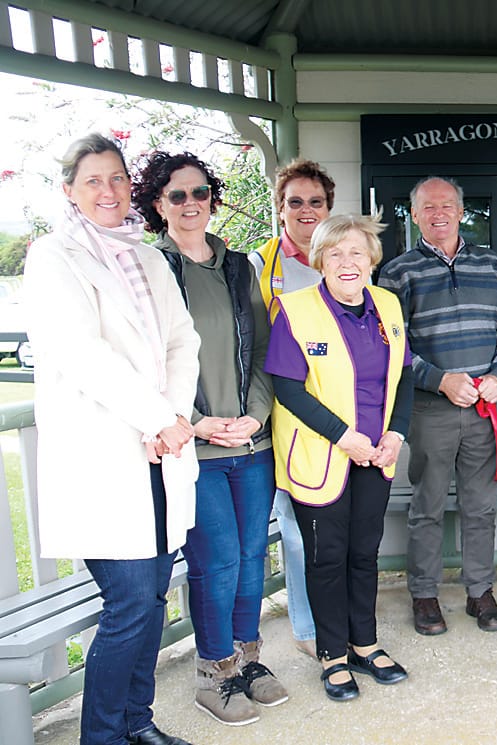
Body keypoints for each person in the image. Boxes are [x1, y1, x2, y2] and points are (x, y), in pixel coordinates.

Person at [24, 133, 200, 745]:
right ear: (69, 190)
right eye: (94, 180)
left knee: (152, 599)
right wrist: (157, 418)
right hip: (103, 453)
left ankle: (136, 722)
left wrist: (171, 419)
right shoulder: (54, 257)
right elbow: (82, 353)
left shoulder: (148, 258)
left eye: (118, 178)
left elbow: (182, 341)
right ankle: (102, 736)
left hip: (160, 454)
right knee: (130, 602)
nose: (109, 190)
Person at [133, 151, 285, 726]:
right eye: (177, 195)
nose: (190, 203)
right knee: (217, 562)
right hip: (192, 447)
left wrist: (255, 415)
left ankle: (247, 660)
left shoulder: (239, 267)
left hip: (250, 444)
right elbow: (147, 359)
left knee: (250, 557)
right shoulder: (149, 270)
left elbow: (266, 349)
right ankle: (213, 672)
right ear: (158, 204)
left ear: (212, 199)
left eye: (200, 192)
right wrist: (194, 420)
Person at [266, 213, 413, 702]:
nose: (347, 262)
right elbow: (288, 389)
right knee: (326, 557)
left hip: (376, 452)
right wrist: (343, 436)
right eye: (335, 253)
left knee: (364, 552)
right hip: (321, 453)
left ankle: (365, 644)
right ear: (320, 260)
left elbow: (404, 375)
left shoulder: (387, 305)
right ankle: (332, 655)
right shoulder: (295, 310)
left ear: (371, 259)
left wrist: (397, 432)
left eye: (356, 252)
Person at [378, 176, 497, 635]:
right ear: (414, 214)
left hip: (486, 407)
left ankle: (480, 592)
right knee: (426, 505)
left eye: (447, 205)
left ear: (461, 212)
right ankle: (424, 594)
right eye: (428, 206)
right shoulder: (397, 273)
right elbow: (391, 344)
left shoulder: (492, 265)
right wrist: (439, 380)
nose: (438, 213)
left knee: (480, 506)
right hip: (431, 409)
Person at [248, 158, 335, 658]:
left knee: (337, 529)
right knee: (297, 529)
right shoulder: (259, 267)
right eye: (295, 202)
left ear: (328, 208)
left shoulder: (342, 260)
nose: (306, 211)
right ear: (280, 209)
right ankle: (307, 628)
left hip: (342, 417)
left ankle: (341, 618)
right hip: (284, 415)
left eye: (315, 202)